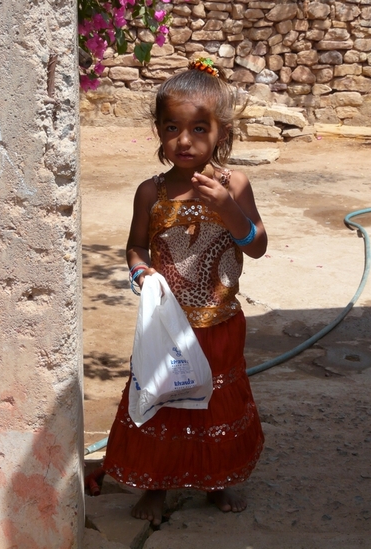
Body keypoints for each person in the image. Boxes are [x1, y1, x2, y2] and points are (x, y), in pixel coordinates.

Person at [102, 57, 267, 526]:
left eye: (199, 128)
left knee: (216, 399)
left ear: (222, 133)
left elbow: (257, 245)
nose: (184, 140)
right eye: (172, 127)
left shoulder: (233, 184)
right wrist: (140, 273)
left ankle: (217, 477)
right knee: (164, 399)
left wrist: (230, 209)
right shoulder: (149, 192)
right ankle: (157, 485)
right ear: (157, 130)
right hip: (167, 326)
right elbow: (136, 246)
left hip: (219, 323)